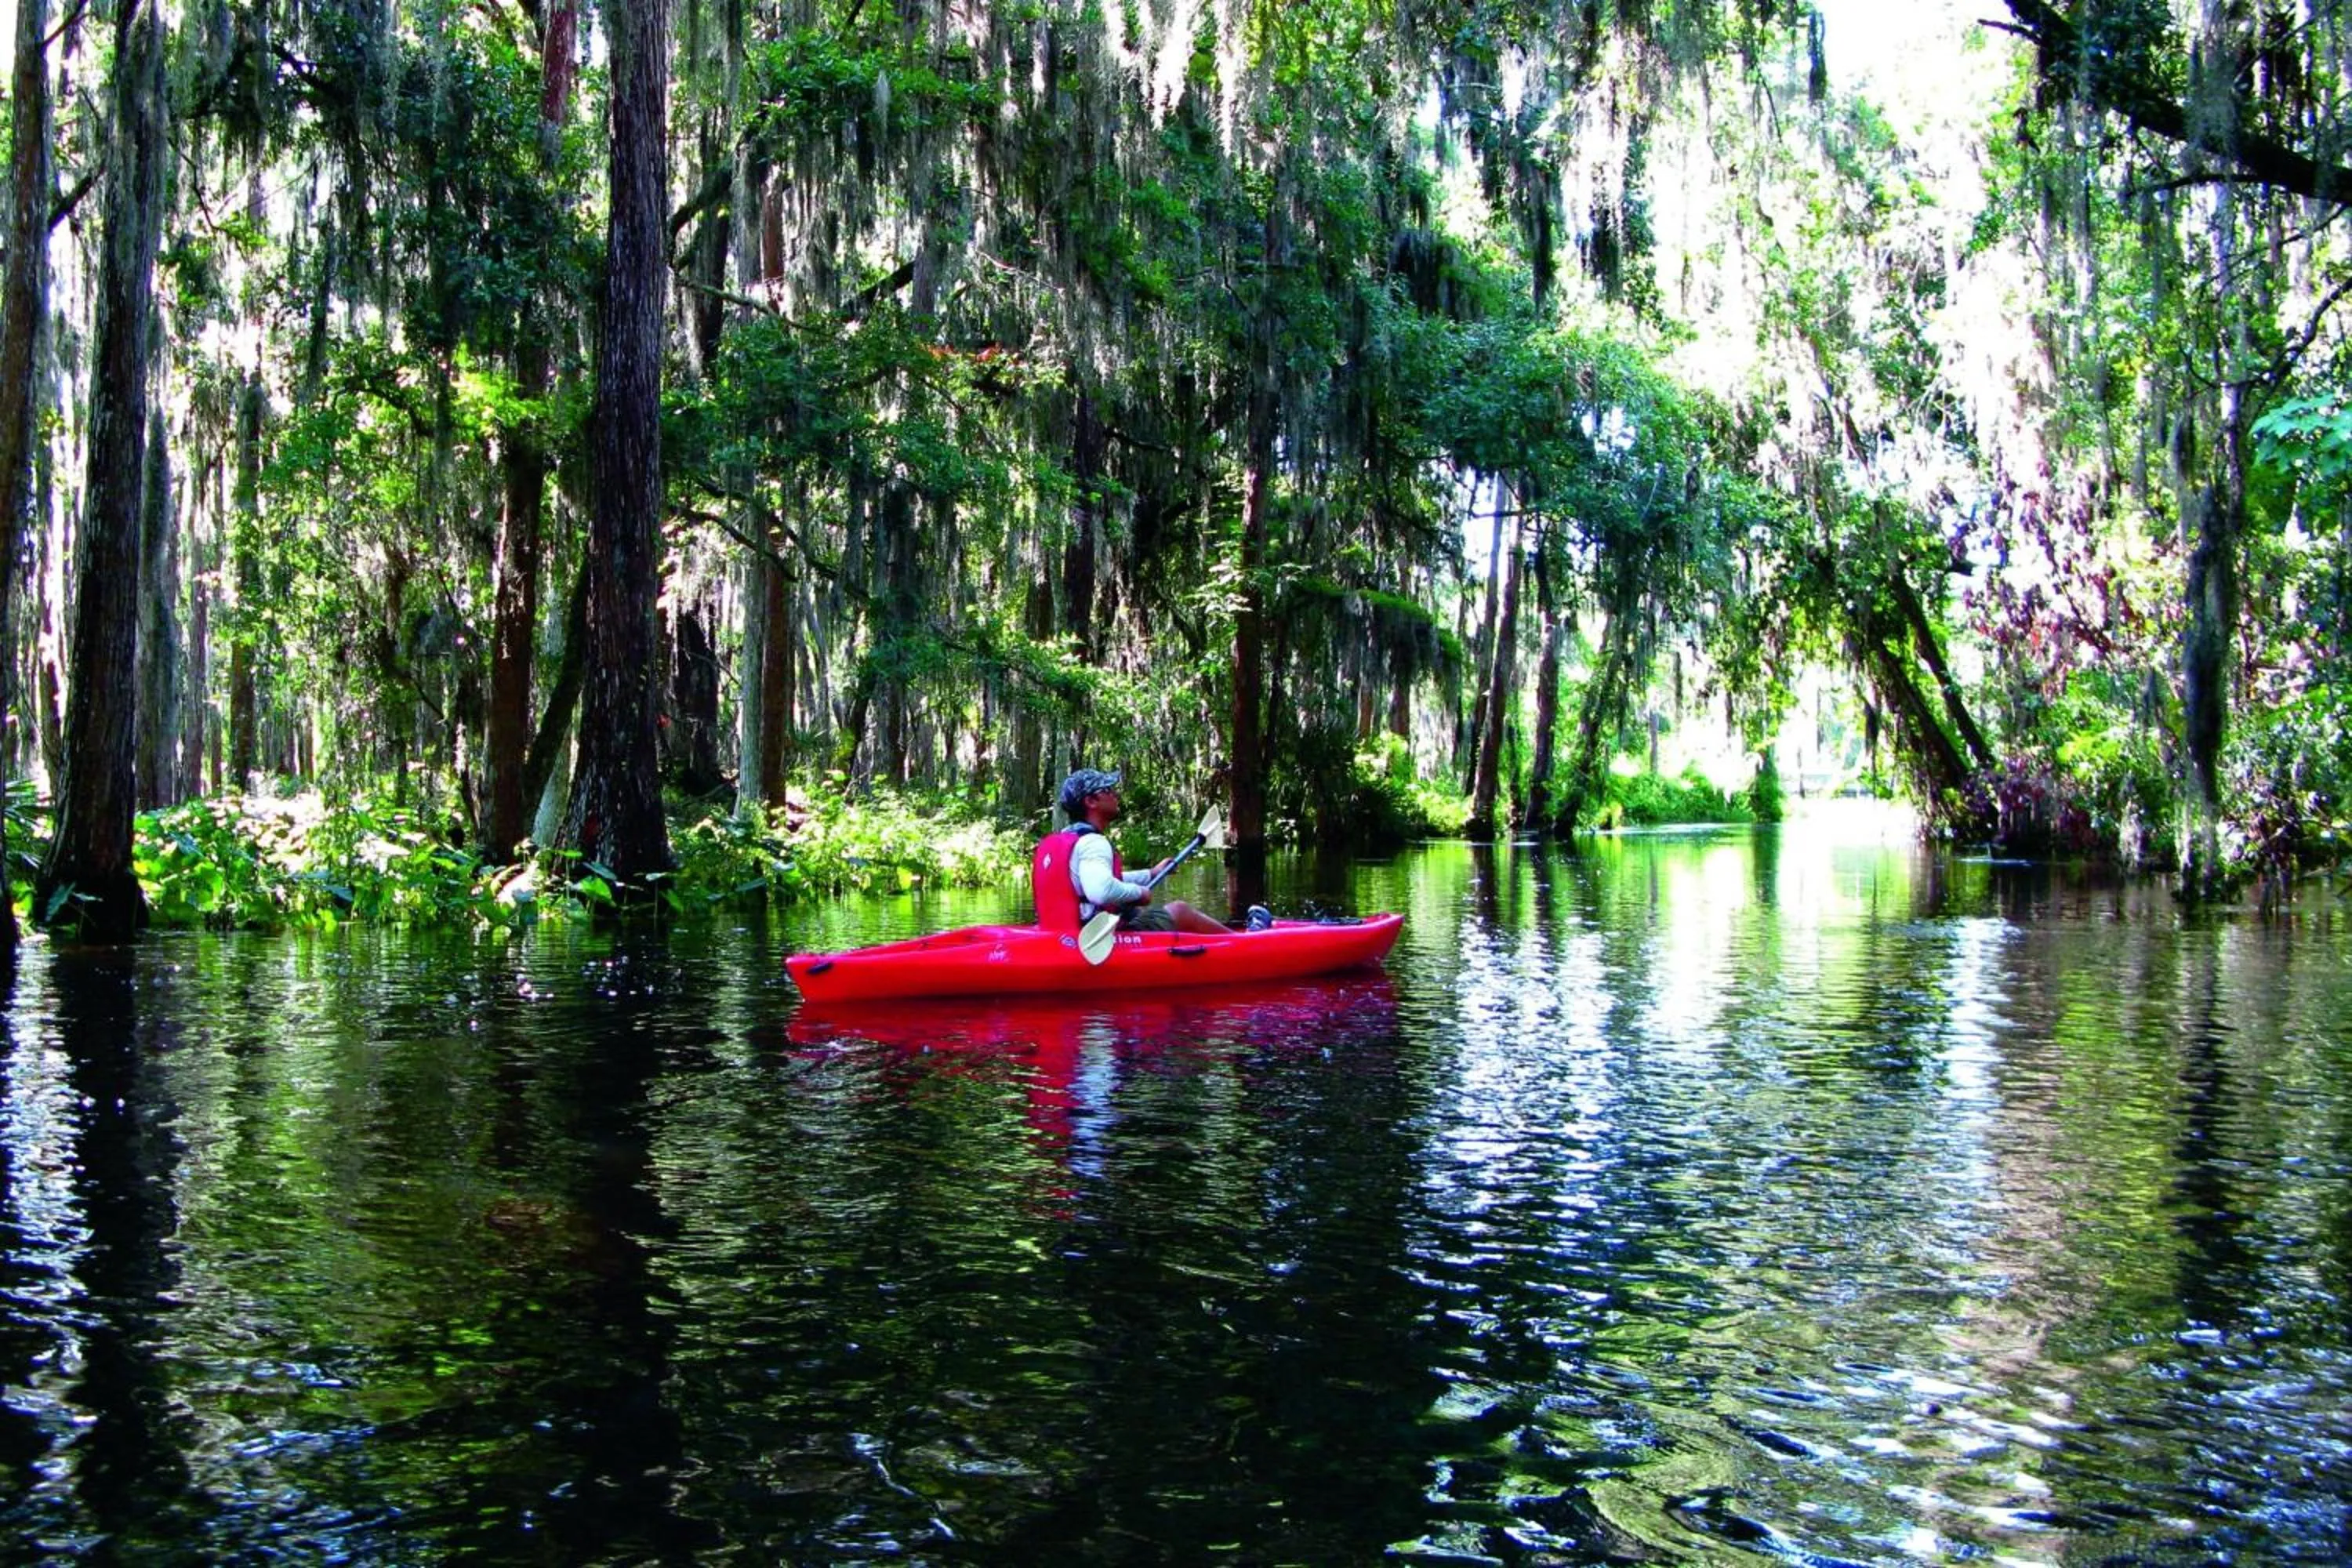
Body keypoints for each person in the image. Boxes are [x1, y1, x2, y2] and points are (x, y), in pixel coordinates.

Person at [1033, 768, 1267, 934]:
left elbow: (1090, 883)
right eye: (1107, 789)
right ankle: (1245, 944)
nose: (1115, 794)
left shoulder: (1070, 838)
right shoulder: (1094, 843)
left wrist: (1151, 874)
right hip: (1090, 935)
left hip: (1070, 929)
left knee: (1150, 913)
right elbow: (1101, 892)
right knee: (1181, 910)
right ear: (1091, 802)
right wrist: (1139, 893)